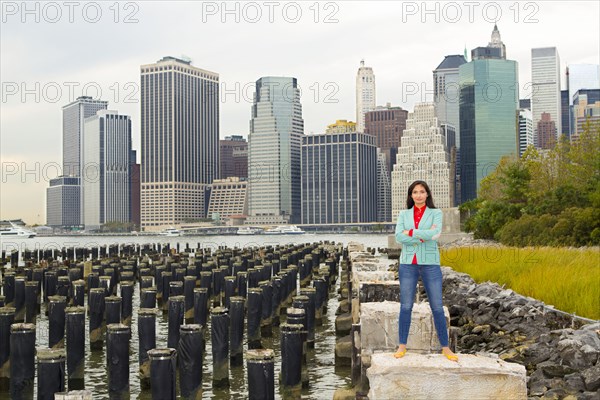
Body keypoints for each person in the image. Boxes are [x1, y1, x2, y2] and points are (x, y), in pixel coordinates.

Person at [393, 180, 458, 361]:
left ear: (427, 194)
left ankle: (446, 348)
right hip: (407, 263)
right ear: (411, 195)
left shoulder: (435, 213)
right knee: (406, 306)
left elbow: (435, 234)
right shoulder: (404, 214)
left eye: (422, 192)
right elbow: (399, 237)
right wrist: (422, 235)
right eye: (415, 192)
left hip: (430, 263)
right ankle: (402, 346)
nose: (419, 195)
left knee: (437, 306)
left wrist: (411, 233)